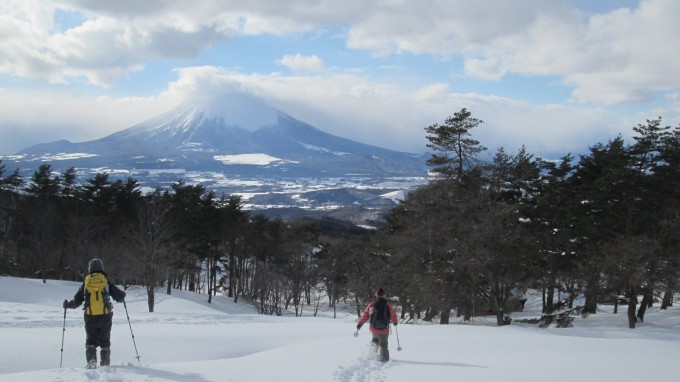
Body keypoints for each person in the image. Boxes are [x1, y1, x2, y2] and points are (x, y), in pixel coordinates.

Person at [63, 258, 126, 368]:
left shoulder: (86, 283)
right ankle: (105, 363)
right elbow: (120, 296)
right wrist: (123, 295)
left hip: (90, 316)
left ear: (90, 269)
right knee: (105, 340)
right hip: (105, 316)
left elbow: (77, 301)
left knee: (91, 340)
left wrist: (68, 305)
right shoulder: (106, 281)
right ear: (102, 268)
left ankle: (91, 361)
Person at [356, 288, 398, 362]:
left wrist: (360, 324)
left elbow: (365, 315)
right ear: (384, 295)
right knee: (383, 345)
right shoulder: (387, 305)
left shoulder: (372, 304)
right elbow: (393, 315)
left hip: (374, 328)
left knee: (375, 341)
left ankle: (371, 357)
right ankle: (384, 360)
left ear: (376, 295)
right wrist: (395, 322)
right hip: (385, 329)